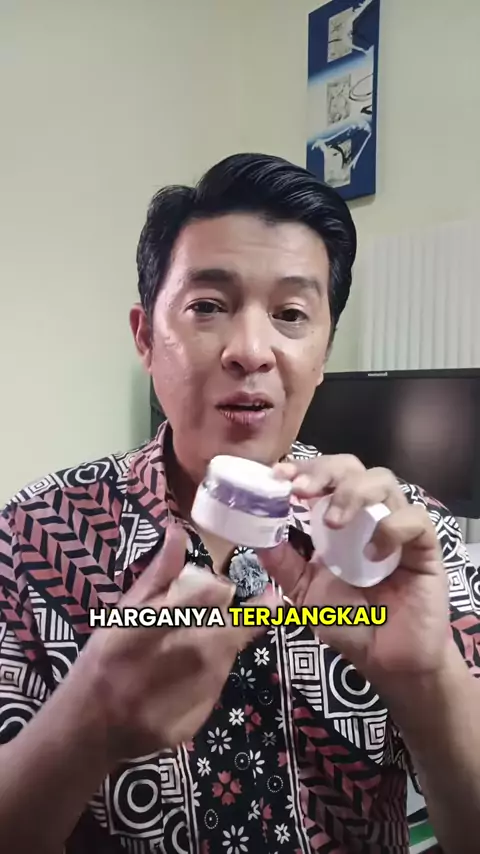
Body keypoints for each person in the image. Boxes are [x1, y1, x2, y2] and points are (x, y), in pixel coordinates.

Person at [0, 153, 479, 854]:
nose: (251, 350)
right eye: (207, 307)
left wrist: (428, 680)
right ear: (145, 337)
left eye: (291, 315)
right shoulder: (32, 535)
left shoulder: (403, 545)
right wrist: (86, 724)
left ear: (323, 354)